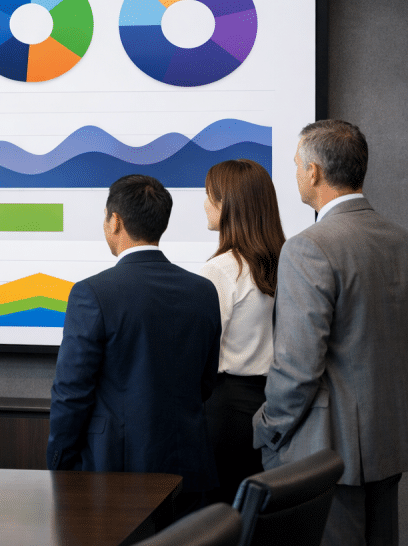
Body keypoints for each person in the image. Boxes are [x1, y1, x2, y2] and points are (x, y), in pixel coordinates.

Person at [252, 120, 408, 546]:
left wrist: (267, 428)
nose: (296, 173)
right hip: (388, 442)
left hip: (326, 453)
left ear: (314, 172)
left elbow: (297, 366)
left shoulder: (308, 247)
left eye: (296, 164)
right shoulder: (400, 241)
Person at [47, 174, 221, 514]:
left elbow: (71, 393)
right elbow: (204, 383)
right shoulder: (203, 291)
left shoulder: (92, 293)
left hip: (116, 474)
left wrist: (58, 463)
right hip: (189, 467)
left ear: (115, 221)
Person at [198, 159, 286, 504]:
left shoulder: (220, 270)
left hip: (226, 410)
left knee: (223, 514)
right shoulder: (286, 262)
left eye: (210, 195)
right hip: (273, 403)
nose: (204, 203)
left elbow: (203, 352)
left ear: (228, 204)